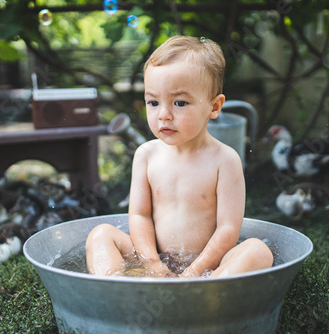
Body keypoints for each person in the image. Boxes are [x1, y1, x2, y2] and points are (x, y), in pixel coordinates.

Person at [86, 35, 273, 278]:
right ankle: (116, 287)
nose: (163, 114)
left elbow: (228, 229)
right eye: (153, 102)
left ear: (214, 107)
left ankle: (208, 289)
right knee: (100, 234)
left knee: (258, 251)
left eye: (180, 103)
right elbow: (140, 215)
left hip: (207, 264)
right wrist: (152, 263)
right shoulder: (146, 155)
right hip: (153, 259)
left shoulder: (225, 160)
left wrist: (195, 271)